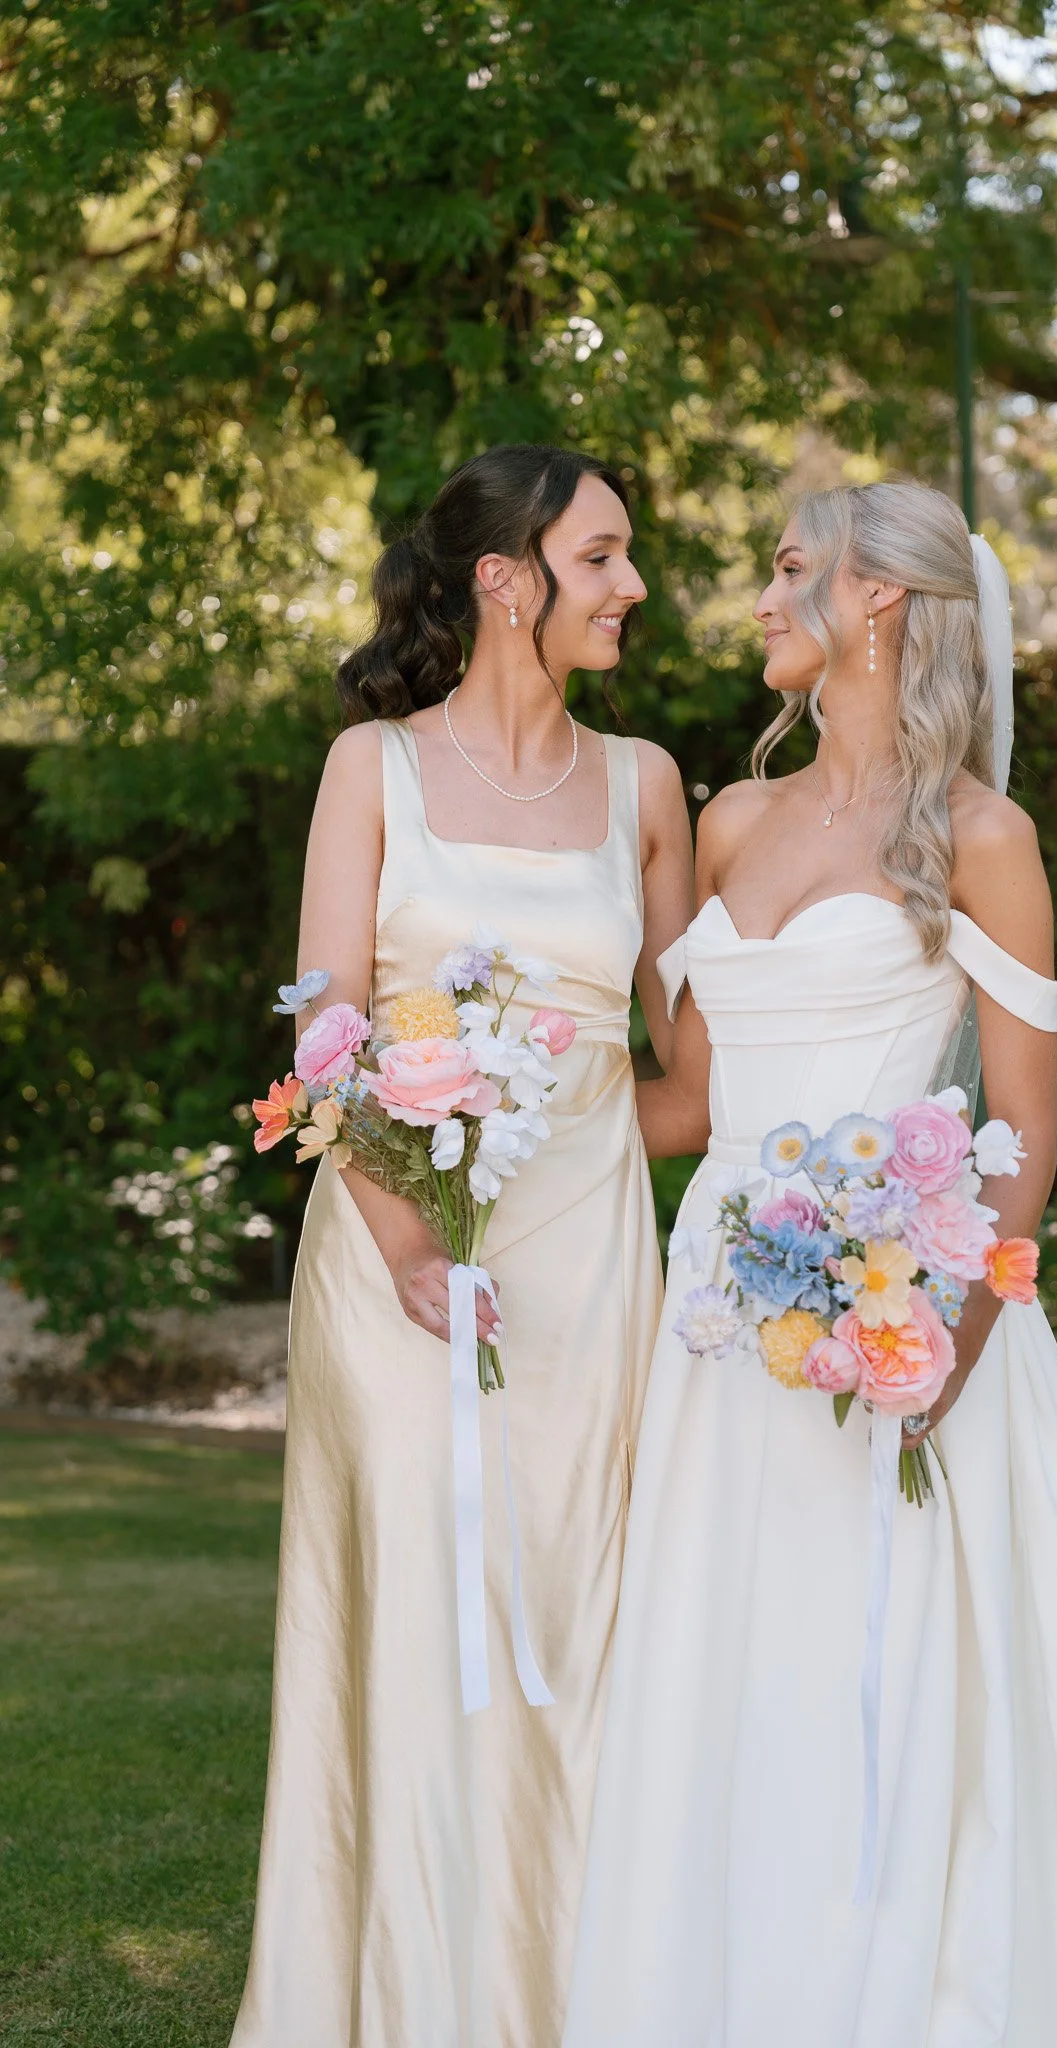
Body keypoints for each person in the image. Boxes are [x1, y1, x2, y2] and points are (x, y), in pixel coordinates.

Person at [563, 480, 1057, 2046]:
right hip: (723, 1339)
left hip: (908, 1337)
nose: (761, 598)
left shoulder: (986, 839)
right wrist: (500, 1108)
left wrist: (939, 1347)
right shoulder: (729, 822)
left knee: (912, 1694)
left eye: (791, 569)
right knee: (732, 1682)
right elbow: (686, 1108)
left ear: (880, 603)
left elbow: (1022, 1138)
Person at [232, 444, 693, 2048]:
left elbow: (689, 1072)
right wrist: (416, 1235)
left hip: (586, 1264)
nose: (633, 584)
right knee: (428, 1624)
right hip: (391, 1255)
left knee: (582, 1617)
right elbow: (330, 1034)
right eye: (604, 556)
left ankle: (579, 2001)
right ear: (508, 582)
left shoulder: (648, 785)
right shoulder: (373, 770)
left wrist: (558, 1148)